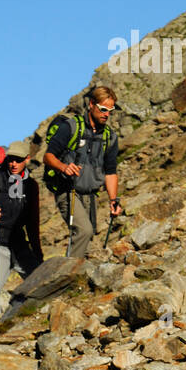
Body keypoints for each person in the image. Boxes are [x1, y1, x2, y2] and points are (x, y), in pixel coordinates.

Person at [43, 86, 122, 259]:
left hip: (90, 195)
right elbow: (48, 156)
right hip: (68, 190)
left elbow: (110, 172)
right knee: (84, 231)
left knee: (87, 237)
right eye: (103, 109)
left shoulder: (110, 137)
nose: (106, 114)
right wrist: (64, 167)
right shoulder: (71, 127)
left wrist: (113, 200)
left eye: (110, 110)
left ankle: (73, 274)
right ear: (92, 104)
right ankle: (67, 275)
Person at [0, 141, 43, 332]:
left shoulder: (31, 186)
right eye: (11, 160)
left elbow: (33, 222)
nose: (13, 164)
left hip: (20, 245)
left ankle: (26, 322)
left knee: (41, 283)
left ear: (27, 160)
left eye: (18, 160)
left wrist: (37, 252)